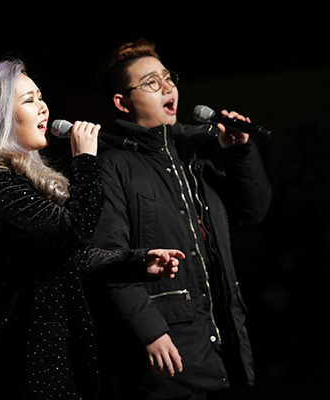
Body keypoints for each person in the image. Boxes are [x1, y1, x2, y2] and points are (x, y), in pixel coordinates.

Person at [0, 58, 186, 400]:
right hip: (29, 364)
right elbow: (76, 230)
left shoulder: (21, 185)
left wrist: (137, 262)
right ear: (0, 117)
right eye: (29, 100)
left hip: (55, 358)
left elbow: (72, 258)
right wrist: (86, 160)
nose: (43, 107)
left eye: (41, 97)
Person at [89, 39, 272, 399]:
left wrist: (240, 153)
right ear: (122, 102)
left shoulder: (196, 157)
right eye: (151, 82)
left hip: (227, 345)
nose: (167, 87)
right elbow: (107, 257)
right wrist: (151, 331)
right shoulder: (111, 166)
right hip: (168, 352)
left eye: (168, 77)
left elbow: (251, 211)